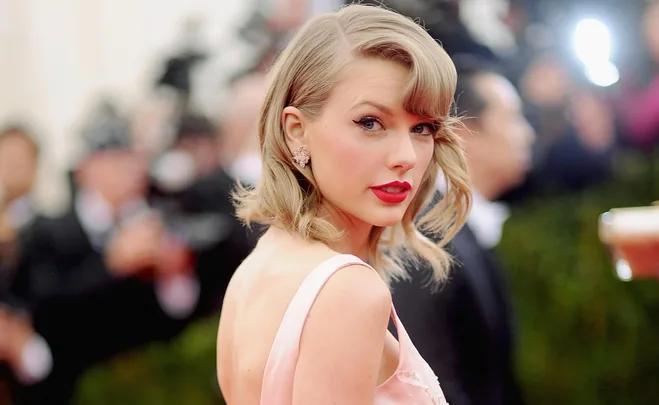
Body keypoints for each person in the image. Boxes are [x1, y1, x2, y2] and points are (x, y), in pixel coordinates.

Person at [216, 4, 472, 405]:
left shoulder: (252, 273)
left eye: (422, 128)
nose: (406, 155)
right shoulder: (348, 290)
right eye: (371, 123)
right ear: (296, 131)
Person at [392, 55, 535, 405]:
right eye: (513, 119)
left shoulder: (457, 226)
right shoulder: (425, 235)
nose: (528, 134)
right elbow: (430, 380)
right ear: (465, 133)